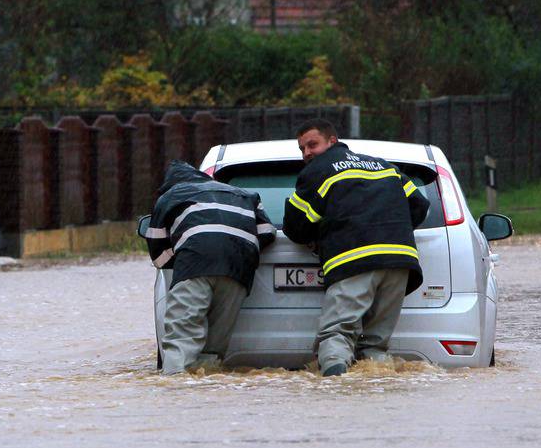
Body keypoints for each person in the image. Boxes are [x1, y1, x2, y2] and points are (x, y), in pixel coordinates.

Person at [282, 119, 430, 377]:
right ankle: (376, 389)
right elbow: (419, 206)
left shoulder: (318, 171)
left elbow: (295, 226)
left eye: (312, 144)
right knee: (375, 343)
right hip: (399, 263)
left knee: (337, 334)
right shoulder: (384, 166)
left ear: (332, 141)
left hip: (353, 262)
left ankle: (335, 392)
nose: (307, 153)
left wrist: (320, 235)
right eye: (302, 148)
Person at [145, 160, 275, 374]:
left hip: (195, 264)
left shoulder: (171, 195)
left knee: (181, 336)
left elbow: (156, 247)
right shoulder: (245, 195)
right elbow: (267, 233)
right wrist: (238, 253)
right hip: (238, 270)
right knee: (213, 347)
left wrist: (180, 264)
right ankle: (208, 383)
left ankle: (176, 392)